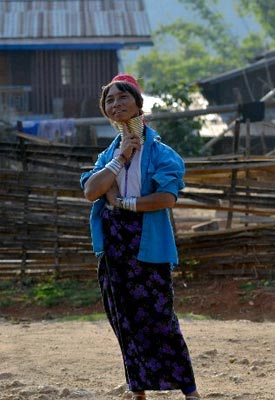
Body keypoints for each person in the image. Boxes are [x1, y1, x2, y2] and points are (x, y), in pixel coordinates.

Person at [80, 74, 200, 400]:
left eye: (122, 97)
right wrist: (120, 159)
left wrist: (125, 203)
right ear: (105, 110)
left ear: (137, 103)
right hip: (113, 243)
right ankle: (139, 390)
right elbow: (92, 190)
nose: (115, 104)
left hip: (146, 242)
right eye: (109, 100)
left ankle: (189, 391)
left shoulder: (160, 152)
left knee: (160, 318)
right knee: (124, 319)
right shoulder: (109, 156)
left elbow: (166, 198)